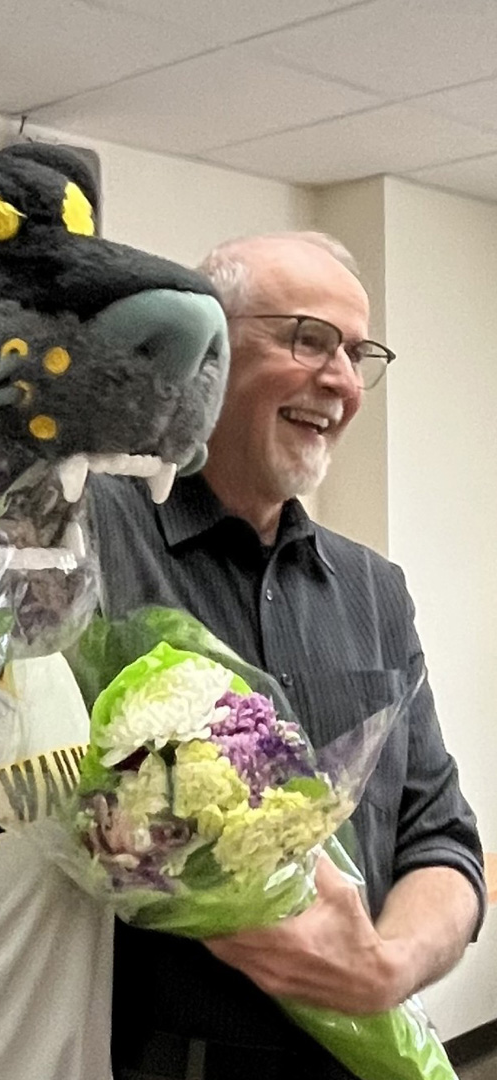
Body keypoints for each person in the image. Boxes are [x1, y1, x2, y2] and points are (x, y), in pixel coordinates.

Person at [90, 231, 485, 1080]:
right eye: (308, 338)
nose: (341, 379)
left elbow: (440, 833)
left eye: (357, 352)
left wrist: (389, 967)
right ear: (210, 350)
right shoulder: (87, 539)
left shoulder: (374, 589)